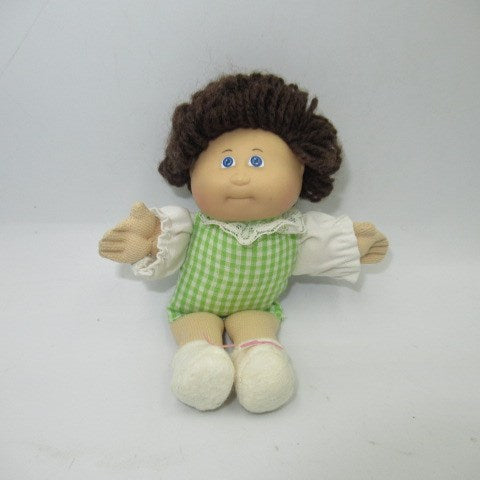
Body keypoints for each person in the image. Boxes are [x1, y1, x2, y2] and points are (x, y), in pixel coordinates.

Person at [99, 72, 389, 413]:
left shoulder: (293, 231)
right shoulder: (191, 226)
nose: (239, 176)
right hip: (195, 307)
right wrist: (147, 244)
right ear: (191, 171)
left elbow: (320, 247)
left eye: (257, 161)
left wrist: (354, 245)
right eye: (225, 162)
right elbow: (169, 248)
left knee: (259, 339)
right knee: (199, 338)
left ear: (301, 170)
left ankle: (261, 361)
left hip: (257, 306)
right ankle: (199, 359)